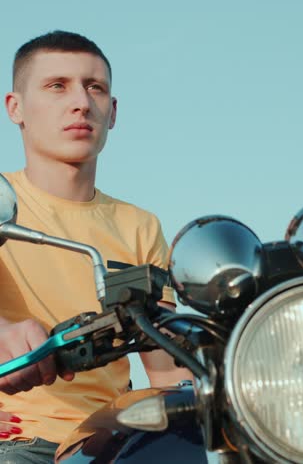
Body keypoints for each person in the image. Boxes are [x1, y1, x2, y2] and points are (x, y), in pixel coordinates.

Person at [0, 30, 189, 463]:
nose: (81, 102)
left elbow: (166, 367)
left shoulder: (139, 225)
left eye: (95, 87)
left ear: (113, 110)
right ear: (16, 108)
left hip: (111, 440)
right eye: (56, 86)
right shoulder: (3, 200)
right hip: (20, 441)